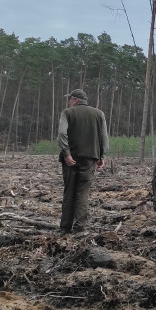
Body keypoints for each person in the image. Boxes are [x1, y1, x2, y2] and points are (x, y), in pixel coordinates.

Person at [57, 88, 109, 234]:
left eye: (70, 99)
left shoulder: (67, 113)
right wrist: (102, 156)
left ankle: (65, 228)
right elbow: (104, 137)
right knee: (83, 192)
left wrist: (66, 153)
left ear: (75, 99)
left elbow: (61, 133)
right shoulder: (99, 114)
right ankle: (79, 228)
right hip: (90, 159)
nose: (69, 101)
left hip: (70, 160)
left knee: (69, 193)